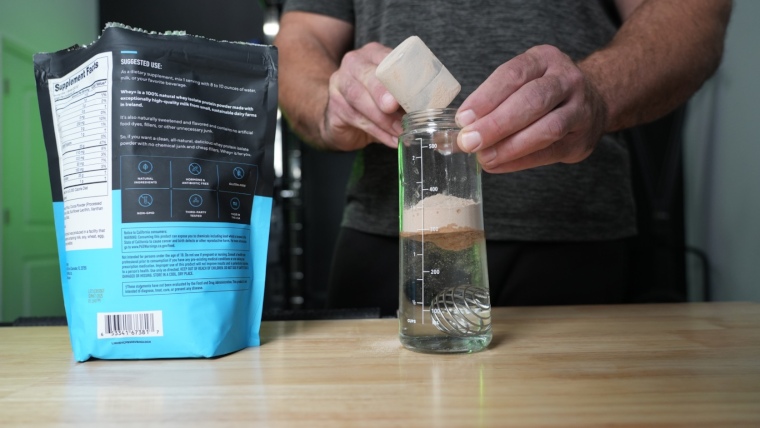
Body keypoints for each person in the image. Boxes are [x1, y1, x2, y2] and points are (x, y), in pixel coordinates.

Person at [274, 0, 732, 317]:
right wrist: (328, 102)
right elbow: (302, 38)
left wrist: (599, 89)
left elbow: (691, 13)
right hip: (391, 242)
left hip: (574, 237)